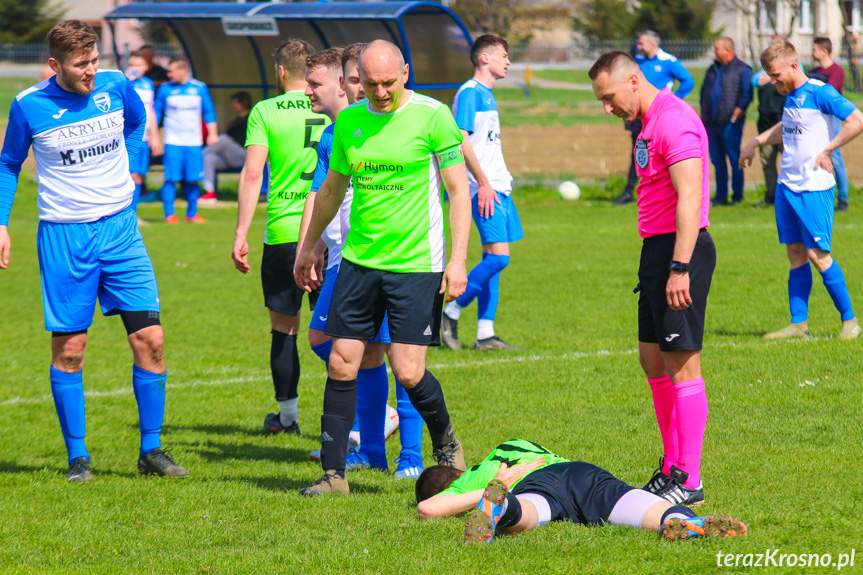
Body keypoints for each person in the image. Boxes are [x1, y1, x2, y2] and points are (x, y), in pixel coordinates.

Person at [0, 20, 188, 482]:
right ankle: (78, 458)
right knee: (71, 349)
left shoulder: (117, 86)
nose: (90, 71)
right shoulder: (29, 106)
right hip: (65, 238)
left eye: (94, 60)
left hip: (122, 231)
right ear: (54, 65)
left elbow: (138, 122)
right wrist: (1, 223)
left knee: (152, 340)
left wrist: (132, 168)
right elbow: (7, 163)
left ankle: (152, 450)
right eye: (80, 64)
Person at [294, 40, 471, 495]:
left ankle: (445, 441)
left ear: (405, 73)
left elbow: (457, 192)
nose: (379, 92)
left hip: (416, 265)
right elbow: (332, 190)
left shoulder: (433, 116)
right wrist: (308, 246)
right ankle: (335, 475)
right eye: (370, 84)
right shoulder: (351, 121)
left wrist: (457, 260)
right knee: (340, 361)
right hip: (358, 262)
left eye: (388, 83)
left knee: (409, 372)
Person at [591, 51, 714, 506]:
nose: (608, 108)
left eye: (609, 97)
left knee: (683, 363)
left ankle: (690, 477)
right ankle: (671, 465)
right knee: (652, 359)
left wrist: (679, 267)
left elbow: (690, 195)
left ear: (634, 80)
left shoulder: (673, 119)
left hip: (681, 250)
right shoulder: (647, 122)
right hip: (655, 250)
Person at [299, 45, 424, 479]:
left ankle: (411, 455)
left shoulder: (409, 120)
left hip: (395, 259)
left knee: (397, 356)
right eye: (357, 81)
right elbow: (322, 192)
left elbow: (451, 155)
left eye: (363, 82)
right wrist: (311, 245)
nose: (363, 90)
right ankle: (372, 447)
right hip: (347, 260)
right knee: (345, 349)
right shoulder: (338, 132)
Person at [232, 39, 329, 437]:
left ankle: (287, 418)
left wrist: (241, 231)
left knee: (284, 328)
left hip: (285, 232)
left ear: (279, 71)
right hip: (328, 236)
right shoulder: (334, 109)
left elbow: (254, 174)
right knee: (339, 331)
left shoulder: (265, 110)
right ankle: (357, 418)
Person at [740, 41, 862, 341]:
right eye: (769, 75)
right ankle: (798, 325)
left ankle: (850, 322)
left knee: (817, 255)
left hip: (813, 188)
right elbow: (787, 126)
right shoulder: (792, 95)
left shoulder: (821, 92)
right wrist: (755, 141)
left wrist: (828, 150)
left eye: (775, 74)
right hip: (787, 187)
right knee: (795, 254)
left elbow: (857, 121)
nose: (772, 80)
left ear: (794, 66)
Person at [415, 439, 747, 544]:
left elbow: (429, 508)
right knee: (631, 503)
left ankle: (504, 506)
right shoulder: (511, 444)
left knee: (531, 512)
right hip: (579, 471)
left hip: (537, 486)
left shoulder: (469, 477)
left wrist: (499, 485)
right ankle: (684, 520)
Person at [442, 35, 523, 351]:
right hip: (483, 189)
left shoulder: (486, 95)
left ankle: (485, 334)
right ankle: (450, 311)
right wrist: (483, 183)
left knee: (494, 258)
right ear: (484, 58)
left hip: (499, 186)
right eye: (503, 55)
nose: (508, 61)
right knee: (499, 259)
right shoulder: (470, 93)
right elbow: (460, 141)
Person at [615, 31, 695, 206]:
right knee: (638, 153)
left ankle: (665, 193)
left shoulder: (669, 61)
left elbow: (688, 81)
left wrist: (672, 101)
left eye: (642, 43)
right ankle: (631, 191)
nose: (639, 46)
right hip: (639, 117)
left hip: (660, 118)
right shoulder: (637, 61)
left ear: (652, 44)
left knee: (661, 154)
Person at [154, 56, 218, 224]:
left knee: (193, 179)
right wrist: (154, 137)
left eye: (172, 70)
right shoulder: (165, 90)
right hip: (173, 142)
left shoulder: (199, 88)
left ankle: (192, 213)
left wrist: (213, 133)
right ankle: (169, 214)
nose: (168, 74)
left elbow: (209, 112)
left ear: (183, 70)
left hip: (193, 143)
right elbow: (156, 115)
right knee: (170, 178)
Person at [700, 37, 753, 206]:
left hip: (731, 124)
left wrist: (736, 114)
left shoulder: (742, 69)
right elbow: (704, 91)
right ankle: (721, 196)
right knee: (717, 160)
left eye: (717, 49)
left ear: (728, 51)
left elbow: (747, 94)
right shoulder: (712, 69)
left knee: (734, 158)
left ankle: (737, 195)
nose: (714, 52)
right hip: (711, 123)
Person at [810, 37, 850, 211]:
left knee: (835, 157)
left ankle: (843, 197)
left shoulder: (837, 70)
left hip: (830, 120)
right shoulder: (813, 71)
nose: (812, 53)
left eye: (814, 49)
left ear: (824, 51)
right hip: (814, 119)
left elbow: (827, 92)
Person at [751, 36, 788, 209]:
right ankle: (771, 196)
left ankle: (787, 197)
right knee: (767, 163)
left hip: (784, 124)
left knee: (787, 162)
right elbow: (754, 81)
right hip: (765, 123)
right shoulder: (765, 69)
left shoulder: (792, 67)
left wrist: (768, 76)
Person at [126, 50, 163, 224]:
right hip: (126, 137)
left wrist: (155, 136)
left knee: (139, 175)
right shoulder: (124, 83)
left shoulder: (148, 84)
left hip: (144, 138)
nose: (135, 68)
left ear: (146, 67)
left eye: (138, 65)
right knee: (127, 176)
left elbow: (151, 111)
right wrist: (127, 82)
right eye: (132, 64)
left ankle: (133, 214)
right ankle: (124, 215)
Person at [200, 91, 253, 202]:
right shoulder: (234, 121)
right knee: (209, 157)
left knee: (223, 139)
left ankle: (196, 158)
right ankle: (210, 192)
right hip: (230, 158)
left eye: (236, 102)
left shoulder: (252, 118)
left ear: (243, 103)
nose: (233, 105)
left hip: (246, 156)